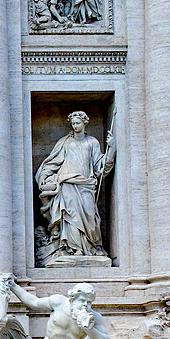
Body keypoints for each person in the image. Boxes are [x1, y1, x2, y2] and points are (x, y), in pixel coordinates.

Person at [35, 110, 115, 260]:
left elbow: (101, 167)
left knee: (90, 216)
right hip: (67, 183)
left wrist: (112, 148)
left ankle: (89, 247)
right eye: (73, 123)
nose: (75, 126)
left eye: (78, 123)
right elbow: (53, 162)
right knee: (70, 216)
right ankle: (72, 248)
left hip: (86, 184)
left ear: (85, 123)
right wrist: (44, 176)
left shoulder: (92, 142)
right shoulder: (65, 142)